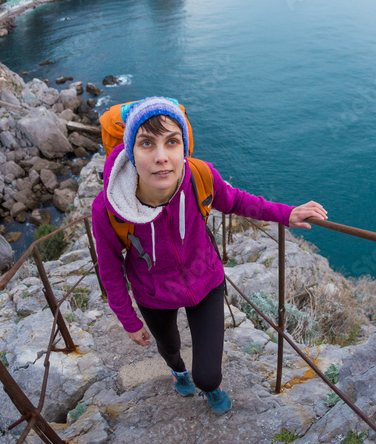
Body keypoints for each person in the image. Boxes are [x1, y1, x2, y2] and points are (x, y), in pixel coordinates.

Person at [90, 97, 327, 415]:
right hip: (153, 294)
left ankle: (208, 387)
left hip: (205, 281)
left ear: (184, 147)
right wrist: (128, 319)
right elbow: (110, 269)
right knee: (170, 347)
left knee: (208, 375)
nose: (161, 157)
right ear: (130, 152)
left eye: (171, 142)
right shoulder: (109, 208)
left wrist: (287, 213)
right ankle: (177, 371)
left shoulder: (198, 175)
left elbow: (237, 202)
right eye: (146, 143)